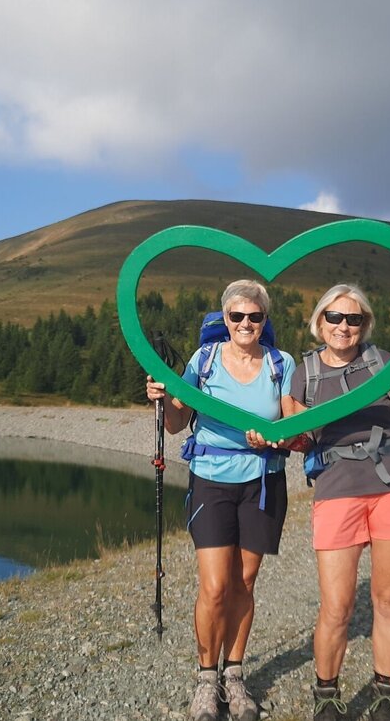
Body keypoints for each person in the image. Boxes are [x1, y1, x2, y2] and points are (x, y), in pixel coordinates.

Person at [266, 283, 390, 721]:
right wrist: (270, 436)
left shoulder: (381, 361)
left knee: (388, 600)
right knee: (337, 605)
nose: (344, 326)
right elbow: (298, 437)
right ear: (319, 320)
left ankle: (386, 691)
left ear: (365, 323)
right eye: (335, 317)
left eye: (354, 319)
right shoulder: (304, 373)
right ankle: (326, 694)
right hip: (337, 489)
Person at [145, 279, 297, 721]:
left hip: (264, 480)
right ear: (224, 319)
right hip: (211, 479)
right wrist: (160, 397)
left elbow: (293, 423)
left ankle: (235, 674)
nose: (246, 324)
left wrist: (273, 438)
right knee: (214, 587)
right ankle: (206, 680)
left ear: (265, 320)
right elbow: (176, 423)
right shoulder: (204, 359)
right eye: (237, 316)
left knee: (243, 583)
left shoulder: (280, 363)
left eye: (255, 317)